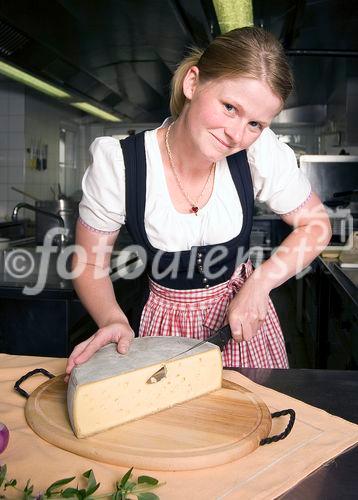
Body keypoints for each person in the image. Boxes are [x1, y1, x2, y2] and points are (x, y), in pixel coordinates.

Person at [65, 27, 331, 380]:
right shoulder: (121, 164)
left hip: (243, 327)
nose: (237, 135)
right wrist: (112, 319)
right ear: (193, 83)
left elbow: (316, 225)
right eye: (229, 107)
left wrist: (260, 284)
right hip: (167, 331)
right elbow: (88, 263)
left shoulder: (258, 152)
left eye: (255, 123)